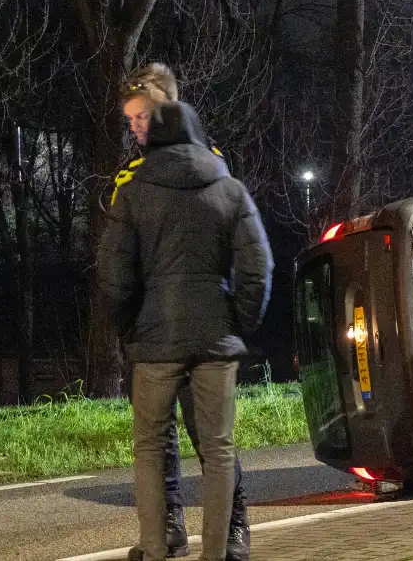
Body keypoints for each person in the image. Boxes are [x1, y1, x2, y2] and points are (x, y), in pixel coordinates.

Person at [99, 92, 272, 561]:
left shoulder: (133, 192)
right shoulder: (230, 189)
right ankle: (217, 552)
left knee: (151, 447)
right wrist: (239, 323)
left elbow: (115, 275)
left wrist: (132, 330)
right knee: (218, 450)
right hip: (215, 338)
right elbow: (257, 268)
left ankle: (155, 548)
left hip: (155, 341)